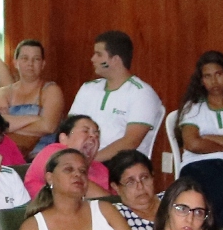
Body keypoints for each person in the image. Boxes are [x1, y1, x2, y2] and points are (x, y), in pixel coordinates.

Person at [173, 50, 223, 228]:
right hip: (197, 167)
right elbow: (192, 144)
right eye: (207, 76)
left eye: (218, 74)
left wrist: (208, 138)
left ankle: (204, 225)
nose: (214, 81)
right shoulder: (193, 107)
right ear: (201, 80)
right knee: (220, 185)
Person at [67, 31, 163, 161]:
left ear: (115, 60)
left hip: (120, 163)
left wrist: (90, 162)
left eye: (99, 54)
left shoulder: (141, 93)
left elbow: (131, 141)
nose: (92, 59)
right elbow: (70, 128)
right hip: (83, 161)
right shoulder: (88, 88)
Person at [105, 150, 161, 230]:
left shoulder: (172, 199)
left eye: (144, 178)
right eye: (130, 182)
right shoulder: (115, 214)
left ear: (152, 177)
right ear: (116, 187)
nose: (140, 186)